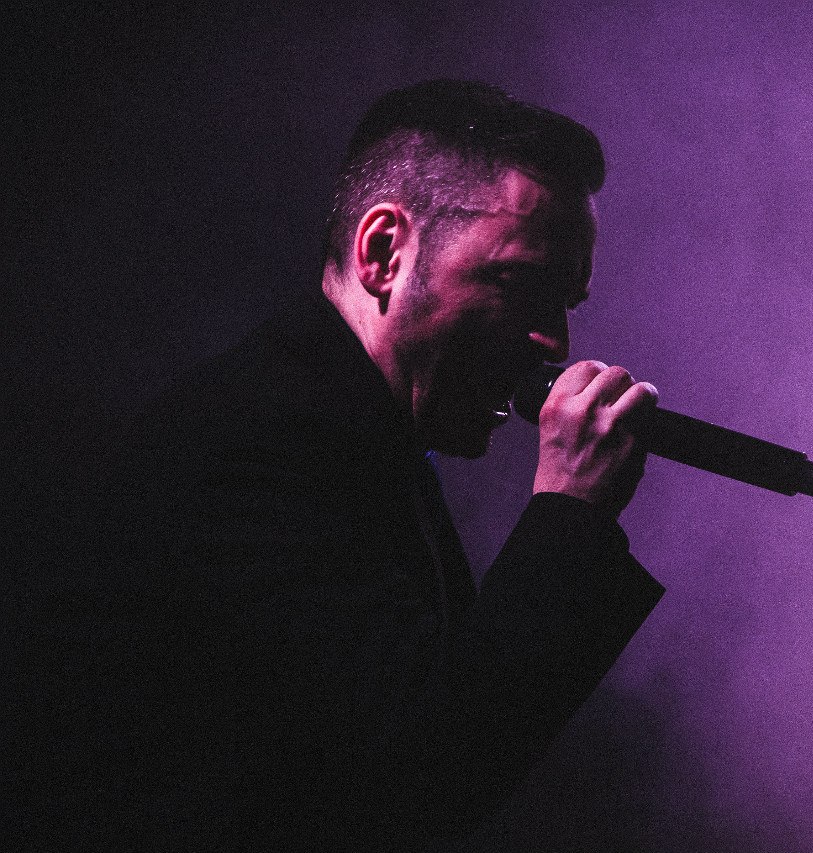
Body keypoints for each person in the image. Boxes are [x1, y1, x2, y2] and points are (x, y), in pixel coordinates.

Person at [83, 80, 664, 850]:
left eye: (567, 302)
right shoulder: (256, 444)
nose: (554, 342)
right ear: (385, 252)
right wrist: (570, 514)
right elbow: (418, 774)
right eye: (520, 284)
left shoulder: (359, 434)